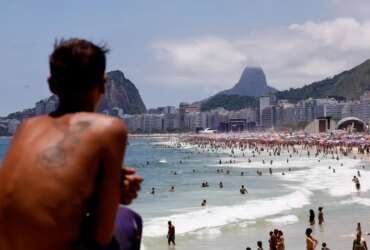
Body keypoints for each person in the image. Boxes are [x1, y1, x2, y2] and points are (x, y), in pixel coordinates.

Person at [0, 39, 143, 250]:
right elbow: (102, 235)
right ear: (103, 83)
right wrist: (112, 191)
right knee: (129, 220)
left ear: (51, 84)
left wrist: (103, 187)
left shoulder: (26, 127)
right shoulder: (109, 128)